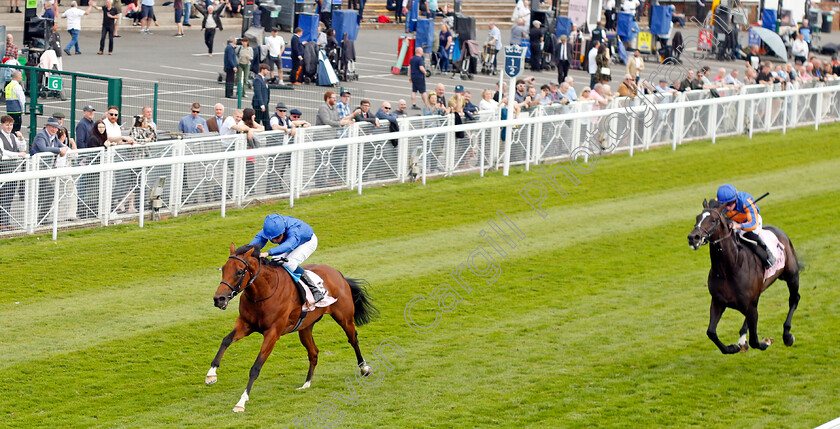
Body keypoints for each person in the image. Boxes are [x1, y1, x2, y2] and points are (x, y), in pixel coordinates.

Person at [251, 214, 324, 304]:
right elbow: (259, 239)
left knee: (289, 263)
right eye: (271, 239)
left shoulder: (294, 230)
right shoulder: (272, 228)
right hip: (290, 242)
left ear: (284, 230)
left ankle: (315, 289)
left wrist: (267, 253)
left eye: (277, 237)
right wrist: (248, 250)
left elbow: (289, 245)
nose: (274, 241)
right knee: (274, 262)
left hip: (307, 242)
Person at [716, 184, 776, 269]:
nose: (728, 207)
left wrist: (737, 226)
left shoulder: (746, 201)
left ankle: (768, 255)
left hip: (751, 222)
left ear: (736, 199)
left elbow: (753, 224)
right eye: (725, 205)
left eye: (730, 204)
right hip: (734, 220)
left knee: (747, 237)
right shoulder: (719, 201)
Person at [32, 117, 68, 220]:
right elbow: (43, 149)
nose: (54, 129)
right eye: (52, 127)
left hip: (46, 170)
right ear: (47, 126)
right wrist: (59, 150)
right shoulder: (41, 135)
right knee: (44, 194)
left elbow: (62, 146)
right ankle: (39, 219)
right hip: (37, 170)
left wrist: (63, 148)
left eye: (56, 127)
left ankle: (41, 218)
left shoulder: (54, 137)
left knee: (47, 194)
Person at [0, 115, 27, 231]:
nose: (9, 127)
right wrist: (17, 155)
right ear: (2, 125)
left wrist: (21, 138)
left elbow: (22, 148)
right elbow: (3, 152)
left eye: (10, 125)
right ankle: (1, 222)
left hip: (13, 170)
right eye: (7, 125)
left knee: (9, 196)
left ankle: (6, 221)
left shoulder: (12, 136)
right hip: (3, 169)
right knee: (2, 196)